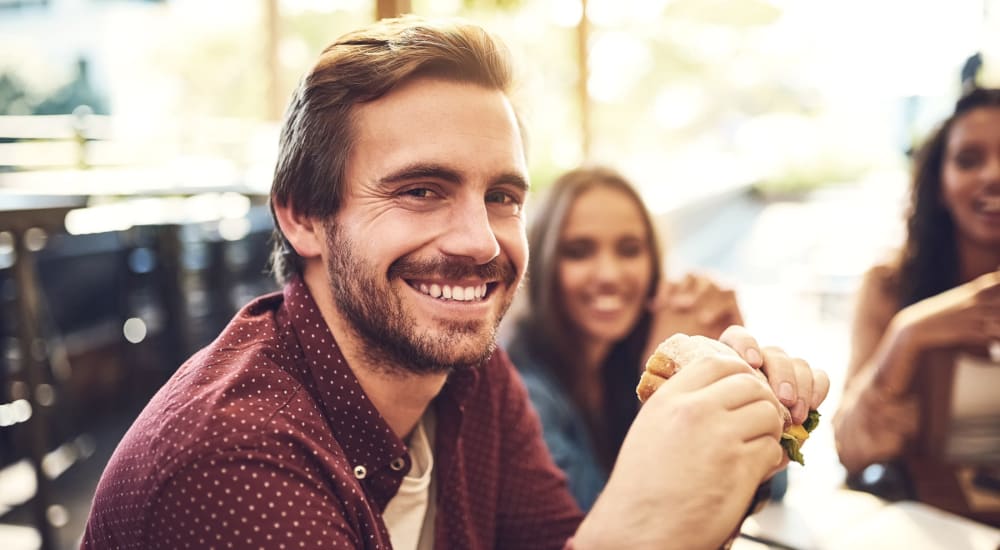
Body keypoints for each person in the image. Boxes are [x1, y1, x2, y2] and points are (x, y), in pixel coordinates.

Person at [83, 16, 829, 549]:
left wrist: (725, 445)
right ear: (304, 216)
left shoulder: (469, 374)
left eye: (501, 196)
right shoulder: (231, 463)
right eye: (420, 191)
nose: (481, 243)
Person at [504, 166, 749, 510]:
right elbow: (592, 522)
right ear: (543, 264)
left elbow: (770, 478)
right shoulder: (521, 392)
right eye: (579, 251)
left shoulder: (622, 357)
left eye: (629, 249)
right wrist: (664, 392)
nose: (609, 274)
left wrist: (729, 354)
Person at [833, 88, 1000, 518]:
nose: (993, 176)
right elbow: (851, 449)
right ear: (940, 185)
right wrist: (909, 333)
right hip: (929, 520)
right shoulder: (890, 286)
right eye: (969, 160)